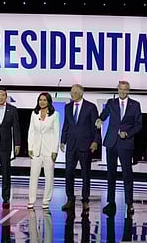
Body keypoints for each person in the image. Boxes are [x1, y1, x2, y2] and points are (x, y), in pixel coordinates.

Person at [96, 81, 142, 215]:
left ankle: (129, 203)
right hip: (111, 142)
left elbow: (138, 125)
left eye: (125, 89)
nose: (122, 91)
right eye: (120, 89)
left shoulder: (135, 105)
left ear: (128, 90)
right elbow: (104, 114)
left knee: (127, 174)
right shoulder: (111, 102)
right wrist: (100, 119)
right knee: (111, 174)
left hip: (125, 143)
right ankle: (111, 203)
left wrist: (127, 133)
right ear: (117, 89)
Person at [60, 84, 100, 214]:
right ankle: (70, 198)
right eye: (72, 92)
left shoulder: (91, 107)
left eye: (76, 92)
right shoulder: (67, 107)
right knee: (68, 172)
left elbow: (96, 127)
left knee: (85, 174)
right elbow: (66, 124)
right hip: (71, 145)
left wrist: (95, 141)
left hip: (85, 145)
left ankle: (85, 200)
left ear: (81, 93)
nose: (73, 94)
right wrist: (62, 140)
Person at [27, 92, 60, 210]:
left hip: (48, 150)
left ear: (49, 101)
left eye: (44, 100)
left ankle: (46, 201)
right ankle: (31, 200)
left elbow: (56, 133)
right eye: (40, 100)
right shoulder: (34, 114)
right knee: (33, 176)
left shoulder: (55, 115)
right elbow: (31, 131)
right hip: (36, 149)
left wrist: (54, 150)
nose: (42, 102)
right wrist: (30, 147)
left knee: (49, 176)